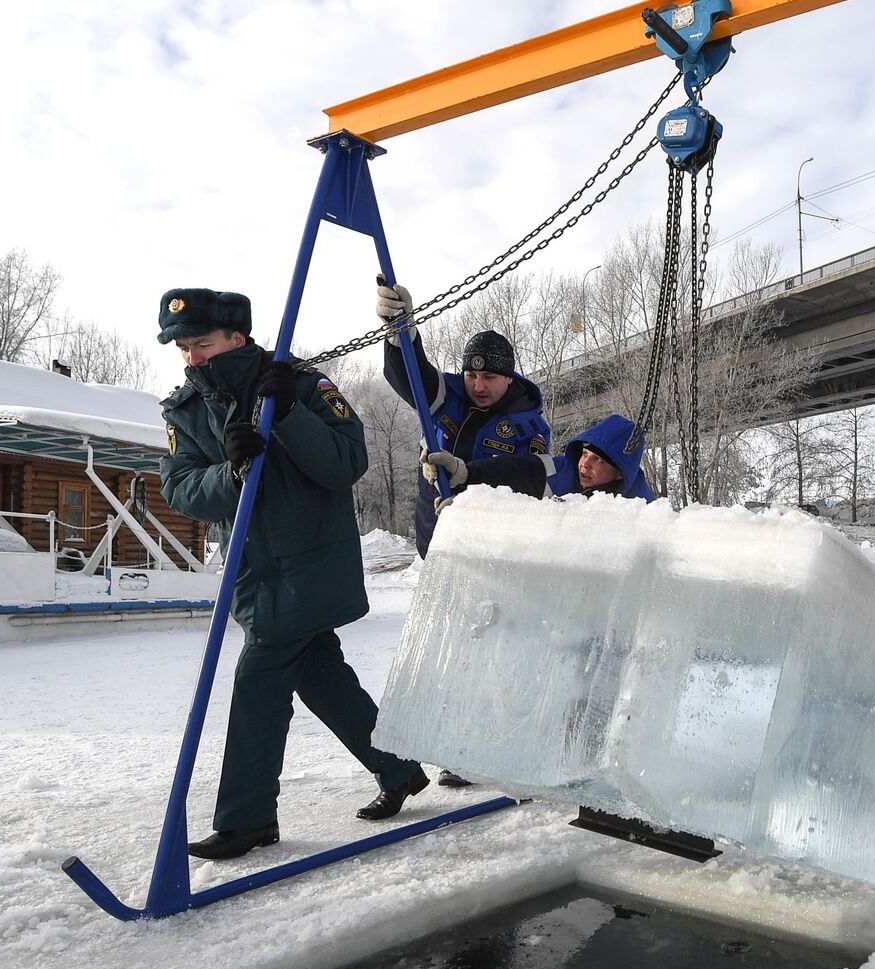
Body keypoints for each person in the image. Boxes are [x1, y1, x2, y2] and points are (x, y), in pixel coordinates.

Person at [157, 288, 431, 861]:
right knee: (319, 673)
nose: (192, 359)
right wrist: (231, 474)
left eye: (201, 344)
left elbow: (346, 465)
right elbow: (180, 489)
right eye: (182, 348)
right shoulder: (184, 409)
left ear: (238, 337)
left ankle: (247, 818)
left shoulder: (302, 384)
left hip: (311, 567)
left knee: (259, 679)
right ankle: (398, 769)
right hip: (256, 575)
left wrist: (287, 416)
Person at [373, 280, 550, 557]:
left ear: (508, 378)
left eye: (489, 377)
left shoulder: (530, 428)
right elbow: (412, 378)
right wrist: (400, 338)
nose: (478, 386)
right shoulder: (447, 395)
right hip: (433, 544)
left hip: (488, 553)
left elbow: (529, 485)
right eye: (472, 376)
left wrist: (473, 505)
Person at [422, 413, 655, 506]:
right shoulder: (557, 471)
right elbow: (511, 471)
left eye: (599, 461)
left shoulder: (640, 508)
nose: (585, 464)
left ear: (619, 473)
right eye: (584, 454)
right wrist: (465, 476)